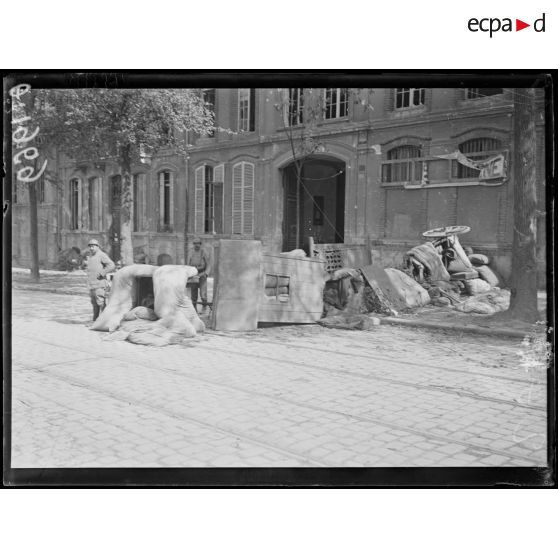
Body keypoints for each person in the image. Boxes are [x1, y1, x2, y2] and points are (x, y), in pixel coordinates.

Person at [85, 238, 115, 321]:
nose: (91, 248)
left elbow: (111, 265)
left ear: (97, 246)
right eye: (90, 246)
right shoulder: (91, 256)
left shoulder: (102, 255)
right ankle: (95, 321)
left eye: (93, 246)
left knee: (101, 303)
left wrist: (102, 273)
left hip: (99, 284)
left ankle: (106, 321)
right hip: (92, 285)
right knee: (94, 304)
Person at [187, 237, 211, 312]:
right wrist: (188, 274)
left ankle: (204, 309)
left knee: (203, 294)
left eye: (198, 243)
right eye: (195, 243)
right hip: (193, 275)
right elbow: (188, 264)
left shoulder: (204, 252)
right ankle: (194, 310)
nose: (196, 245)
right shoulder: (190, 252)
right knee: (193, 295)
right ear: (193, 244)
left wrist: (206, 273)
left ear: (200, 244)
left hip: (202, 274)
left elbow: (209, 264)